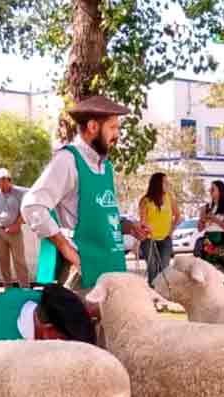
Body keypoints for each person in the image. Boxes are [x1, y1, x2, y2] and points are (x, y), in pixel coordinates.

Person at [21, 95, 151, 295]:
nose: (117, 135)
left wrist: (129, 227)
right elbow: (32, 206)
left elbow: (102, 215)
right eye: (113, 128)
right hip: (84, 274)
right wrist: (65, 248)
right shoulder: (67, 160)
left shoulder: (105, 166)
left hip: (112, 268)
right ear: (92, 127)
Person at [194, 179, 224, 299]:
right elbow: (200, 228)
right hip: (208, 241)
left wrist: (216, 220)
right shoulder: (206, 207)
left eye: (213, 188)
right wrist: (202, 219)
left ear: (220, 191)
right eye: (210, 188)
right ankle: (209, 296)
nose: (210, 191)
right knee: (208, 270)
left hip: (222, 241)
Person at [0, 167, 29, 288]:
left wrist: (17, 225)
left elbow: (25, 212)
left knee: (19, 261)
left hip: (15, 231)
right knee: (2, 260)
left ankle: (24, 288)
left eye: (0, 180)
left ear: (7, 180)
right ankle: (8, 288)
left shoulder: (20, 193)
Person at [136, 173, 179, 286]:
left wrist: (170, 231)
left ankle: (162, 296)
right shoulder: (145, 200)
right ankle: (153, 296)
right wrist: (145, 228)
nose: (167, 184)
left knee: (164, 270)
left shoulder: (169, 197)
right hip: (149, 240)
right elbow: (142, 221)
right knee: (153, 270)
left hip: (165, 239)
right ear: (157, 183)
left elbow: (178, 216)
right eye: (164, 182)